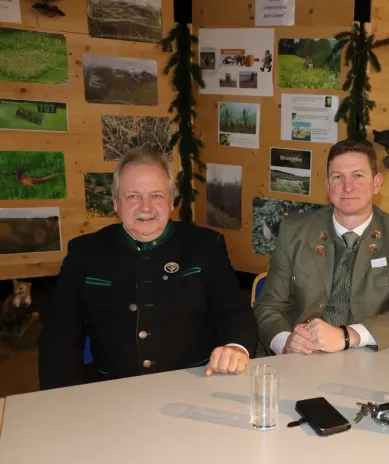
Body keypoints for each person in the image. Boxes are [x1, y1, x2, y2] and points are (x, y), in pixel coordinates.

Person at [38, 149, 256, 390]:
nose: (146, 207)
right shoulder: (85, 252)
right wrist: (63, 396)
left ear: (171, 201)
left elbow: (233, 310)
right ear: (115, 203)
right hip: (110, 390)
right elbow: (59, 335)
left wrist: (236, 347)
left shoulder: (205, 246)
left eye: (156, 195)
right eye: (132, 196)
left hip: (194, 383)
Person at [254, 140, 389, 355]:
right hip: (303, 357)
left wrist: (348, 336)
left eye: (358, 175)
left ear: (377, 183)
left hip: (368, 354)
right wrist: (286, 343)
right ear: (328, 185)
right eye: (338, 177)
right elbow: (268, 306)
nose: (348, 187)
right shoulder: (295, 231)